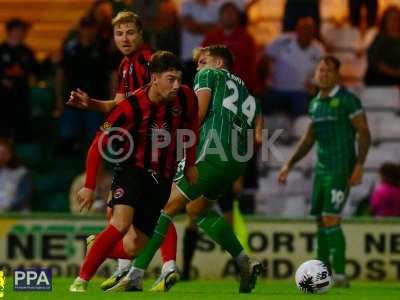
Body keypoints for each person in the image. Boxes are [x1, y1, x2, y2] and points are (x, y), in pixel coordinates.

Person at [108, 45, 263, 294]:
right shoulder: (249, 94)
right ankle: (245, 261)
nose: (198, 67)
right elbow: (257, 137)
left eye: (203, 61)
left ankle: (135, 275)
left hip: (211, 152)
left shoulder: (210, 75)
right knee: (197, 209)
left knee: (164, 206)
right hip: (237, 160)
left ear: (219, 63)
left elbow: (198, 113)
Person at [66, 11, 180, 289]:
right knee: (121, 211)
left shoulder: (148, 61)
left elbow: (155, 101)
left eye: (130, 32)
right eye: (119, 33)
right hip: (133, 143)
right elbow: (119, 106)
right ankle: (130, 271)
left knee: (148, 210)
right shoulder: (125, 65)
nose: (125, 38)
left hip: (148, 145)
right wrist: (90, 103)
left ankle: (162, 266)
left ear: (140, 34)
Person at [277, 55, 371, 287]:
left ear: (337, 75)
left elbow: (364, 133)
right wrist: (288, 164)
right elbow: (309, 138)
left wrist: (358, 166)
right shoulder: (316, 102)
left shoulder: (348, 100)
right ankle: (322, 271)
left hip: (341, 169)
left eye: (328, 71)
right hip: (321, 170)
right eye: (320, 70)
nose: (323, 74)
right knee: (320, 220)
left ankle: (340, 274)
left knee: (331, 218)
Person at [55, 17, 112, 151]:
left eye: (91, 28)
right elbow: (60, 75)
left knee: (95, 140)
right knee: (68, 140)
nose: (88, 32)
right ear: (80, 29)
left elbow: (111, 76)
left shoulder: (102, 49)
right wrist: (58, 100)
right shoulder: (69, 48)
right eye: (85, 28)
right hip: (73, 101)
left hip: (95, 101)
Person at [262, 17, 324, 118]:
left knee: (302, 115)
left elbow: (322, 73)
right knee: (262, 112)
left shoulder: (319, 50)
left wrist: (314, 85)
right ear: (297, 29)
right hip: (277, 88)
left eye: (309, 29)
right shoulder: (281, 41)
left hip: (300, 91)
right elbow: (264, 59)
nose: (306, 32)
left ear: (314, 31)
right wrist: (263, 82)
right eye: (303, 28)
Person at [202, 2, 257, 92]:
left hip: (241, 88)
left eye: (232, 13)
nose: (229, 16)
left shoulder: (246, 38)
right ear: (220, 17)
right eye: (226, 13)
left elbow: (252, 64)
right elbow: (203, 61)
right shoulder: (211, 37)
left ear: (238, 17)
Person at [0, 18, 38, 142]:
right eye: (19, 30)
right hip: (3, 101)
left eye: (23, 31)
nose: (21, 33)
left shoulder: (27, 52)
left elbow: (36, 70)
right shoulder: (1, 51)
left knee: (23, 135)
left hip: (21, 100)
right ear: (10, 31)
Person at [365, 6, 400, 86]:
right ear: (385, 21)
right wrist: (394, 72)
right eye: (392, 19)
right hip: (381, 79)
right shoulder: (380, 38)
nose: (395, 22)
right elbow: (373, 59)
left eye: (397, 19)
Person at [0, 137, 32, 212]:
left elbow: (24, 197)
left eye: (3, 153)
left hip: (15, 215)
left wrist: (5, 208)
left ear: (10, 154)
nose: (0, 156)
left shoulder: (22, 173)